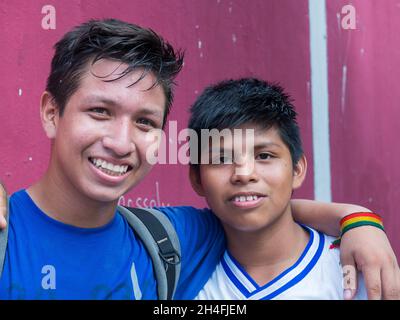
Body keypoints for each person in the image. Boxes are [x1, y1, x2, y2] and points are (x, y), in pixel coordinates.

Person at [0, 18, 399, 300]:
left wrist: (359, 220)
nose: (122, 143)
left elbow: (259, 210)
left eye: (145, 121)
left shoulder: (173, 239)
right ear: (52, 113)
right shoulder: (8, 239)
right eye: (100, 112)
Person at [187, 78, 373, 299]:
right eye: (221, 159)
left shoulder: (354, 270)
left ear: (297, 170)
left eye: (264, 156)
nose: (244, 174)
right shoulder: (183, 275)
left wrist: (360, 221)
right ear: (197, 179)